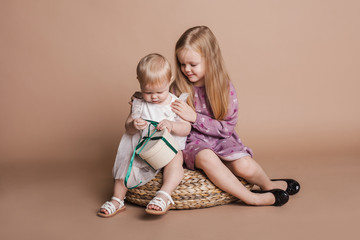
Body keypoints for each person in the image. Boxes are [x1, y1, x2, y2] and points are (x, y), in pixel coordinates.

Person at [170, 26, 300, 207]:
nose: (187, 69)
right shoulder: (177, 88)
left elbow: (227, 128)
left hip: (221, 139)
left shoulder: (223, 87)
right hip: (193, 143)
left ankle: (267, 184)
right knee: (207, 157)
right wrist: (143, 101)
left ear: (210, 60)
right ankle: (251, 198)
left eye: (193, 64)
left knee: (243, 166)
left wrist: (195, 118)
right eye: (182, 64)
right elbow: (167, 114)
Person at [98, 53, 191, 217]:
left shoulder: (175, 103)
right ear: (139, 83)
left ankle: (164, 195)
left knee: (176, 160)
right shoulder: (139, 103)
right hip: (143, 148)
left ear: (170, 81)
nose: (154, 97)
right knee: (124, 163)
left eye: (159, 91)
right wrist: (133, 125)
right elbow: (127, 127)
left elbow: (186, 128)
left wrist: (172, 125)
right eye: (147, 92)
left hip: (167, 149)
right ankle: (117, 199)